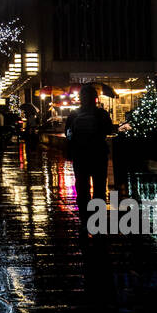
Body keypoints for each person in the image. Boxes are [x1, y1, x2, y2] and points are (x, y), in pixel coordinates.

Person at [65, 83, 117, 232]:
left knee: (82, 187)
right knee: (99, 187)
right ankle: (98, 219)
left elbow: (68, 134)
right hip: (98, 154)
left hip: (80, 155)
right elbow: (108, 130)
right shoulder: (101, 113)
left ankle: (85, 220)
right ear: (95, 98)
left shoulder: (74, 115)